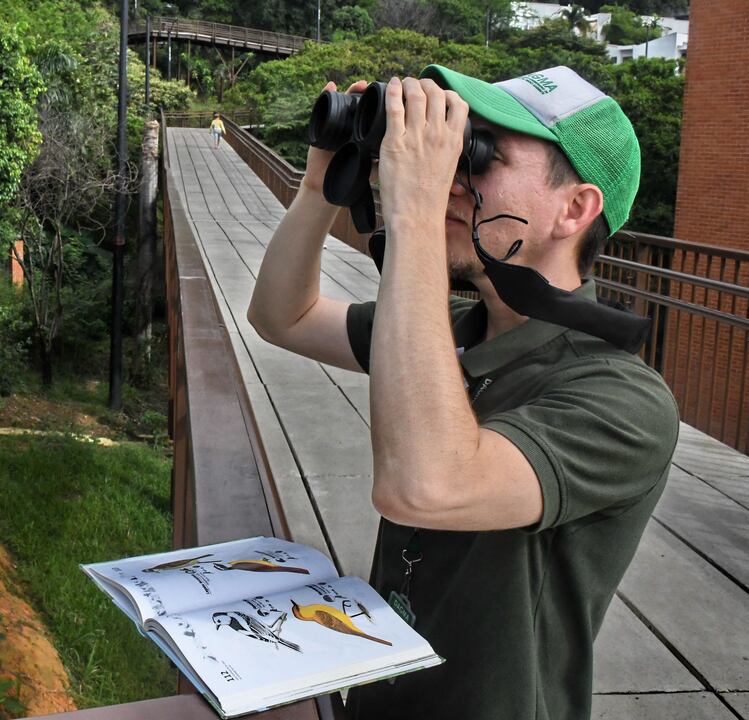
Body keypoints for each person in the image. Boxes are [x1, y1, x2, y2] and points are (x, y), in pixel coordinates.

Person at [246, 65, 680, 719]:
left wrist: (416, 210)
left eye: (476, 155)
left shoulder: (622, 399)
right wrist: (319, 187)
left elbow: (424, 485)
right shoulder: (454, 333)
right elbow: (284, 316)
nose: (450, 177)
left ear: (574, 209)